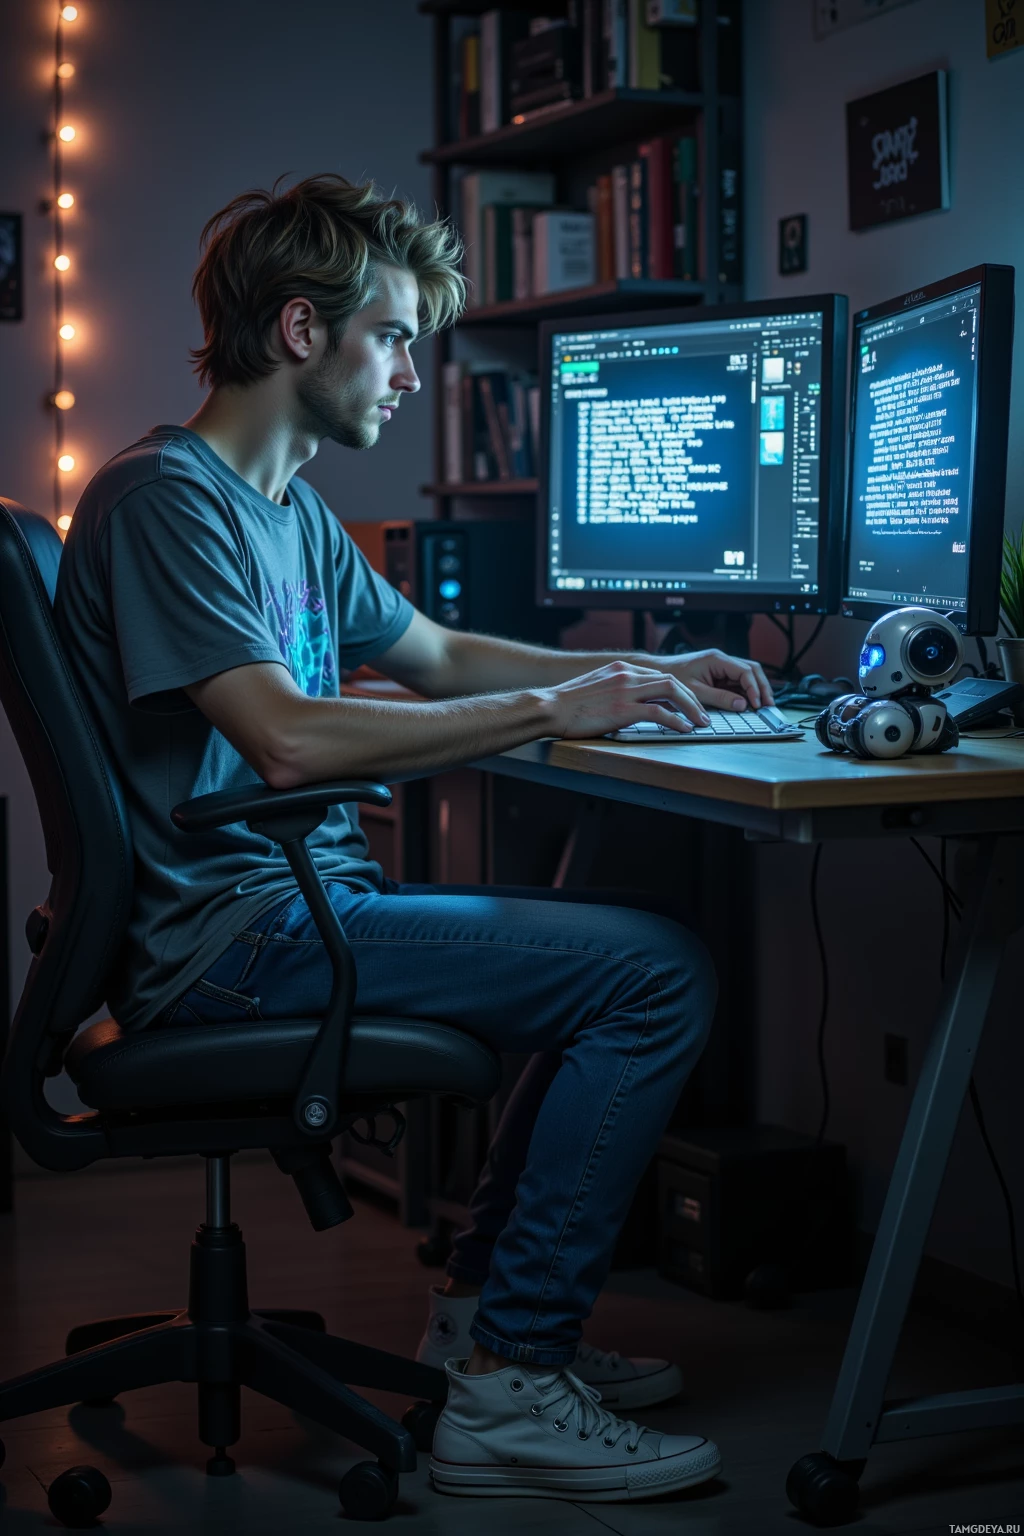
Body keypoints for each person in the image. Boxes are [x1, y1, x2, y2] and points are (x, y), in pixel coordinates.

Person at [54, 174, 772, 1505]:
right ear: (298, 331)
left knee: (604, 945)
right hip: (232, 948)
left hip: (286, 916)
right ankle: (508, 1387)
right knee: (653, 971)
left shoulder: (288, 509)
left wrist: (653, 667)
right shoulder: (169, 501)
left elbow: (433, 653)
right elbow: (287, 738)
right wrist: (560, 705)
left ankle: (485, 1325)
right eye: (389, 336)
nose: (404, 372)